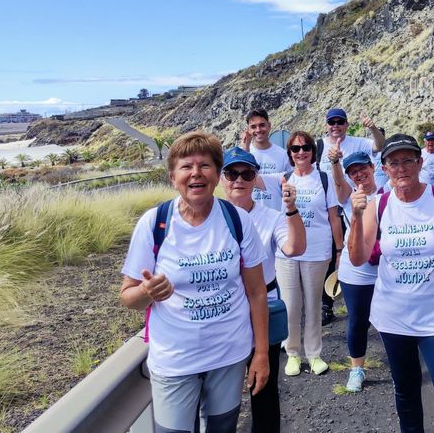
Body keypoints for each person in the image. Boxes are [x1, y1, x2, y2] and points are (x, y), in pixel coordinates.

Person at [119, 131, 269, 433]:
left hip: (228, 354)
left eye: (205, 166)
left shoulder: (237, 220)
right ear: (173, 177)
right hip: (175, 360)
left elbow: (256, 292)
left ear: (217, 176)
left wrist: (262, 354)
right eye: (186, 166)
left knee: (222, 429)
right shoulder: (154, 223)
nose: (196, 173)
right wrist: (147, 291)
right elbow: (128, 297)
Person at [347, 133, 434, 433]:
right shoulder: (377, 206)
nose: (401, 168)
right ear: (384, 169)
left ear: (420, 162)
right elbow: (357, 258)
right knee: (406, 391)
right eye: (393, 163)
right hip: (394, 318)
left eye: (408, 160)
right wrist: (356, 219)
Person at [221, 147, 306, 433]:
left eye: (247, 173)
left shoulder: (272, 217)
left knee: (264, 390)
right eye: (232, 173)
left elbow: (294, 248)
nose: (239, 180)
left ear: (256, 178)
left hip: (263, 309)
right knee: (223, 394)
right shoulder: (210, 217)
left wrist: (292, 209)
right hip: (225, 311)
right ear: (222, 178)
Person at [271, 131, 342, 377]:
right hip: (287, 253)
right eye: (295, 149)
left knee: (313, 304)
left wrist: (339, 250)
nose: (300, 152)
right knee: (290, 305)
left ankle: (313, 354)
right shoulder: (282, 179)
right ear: (289, 153)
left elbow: (334, 217)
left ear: (313, 151)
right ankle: (292, 353)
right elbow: (249, 181)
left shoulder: (324, 179)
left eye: (305, 148)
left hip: (317, 251)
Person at [316, 109, 386, 324]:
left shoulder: (359, 143)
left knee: (368, 240)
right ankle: (328, 301)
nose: (335, 125)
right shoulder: (319, 146)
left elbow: (380, 146)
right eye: (332, 122)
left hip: (356, 198)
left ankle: (378, 300)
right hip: (330, 202)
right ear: (326, 125)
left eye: (340, 122)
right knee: (336, 249)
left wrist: (372, 127)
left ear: (347, 124)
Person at [326, 150, 380, 392]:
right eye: (353, 172)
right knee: (358, 320)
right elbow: (338, 181)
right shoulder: (347, 197)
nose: (359, 174)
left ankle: (403, 361)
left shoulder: (387, 192)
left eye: (362, 169)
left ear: (372, 167)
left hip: (385, 268)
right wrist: (335, 162)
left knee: (393, 318)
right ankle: (357, 368)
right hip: (355, 270)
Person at [240, 108, 292, 211]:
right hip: (250, 217)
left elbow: (291, 187)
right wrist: (245, 148)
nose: (258, 130)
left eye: (262, 125)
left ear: (269, 126)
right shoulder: (243, 154)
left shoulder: (283, 155)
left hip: (276, 218)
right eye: (253, 127)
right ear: (248, 130)